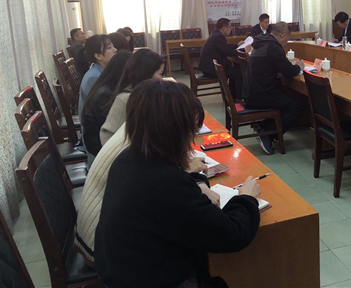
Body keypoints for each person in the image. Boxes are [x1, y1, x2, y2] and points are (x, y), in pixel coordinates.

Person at [94, 80, 261, 287]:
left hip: (122, 270)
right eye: (191, 129)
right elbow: (231, 235)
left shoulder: (129, 157)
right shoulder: (164, 183)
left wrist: (198, 183)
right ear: (175, 130)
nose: (192, 138)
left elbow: (179, 193)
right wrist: (246, 198)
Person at [75, 93, 212, 267]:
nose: (188, 139)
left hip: (100, 235)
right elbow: (218, 230)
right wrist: (195, 180)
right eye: (187, 129)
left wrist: (190, 177)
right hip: (102, 249)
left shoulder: (138, 135)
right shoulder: (141, 157)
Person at [243, 21, 304, 155]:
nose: (285, 43)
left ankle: (265, 126)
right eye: (286, 40)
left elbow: (270, 65)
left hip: (251, 92)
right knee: (296, 107)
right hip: (260, 95)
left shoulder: (262, 42)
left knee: (286, 98)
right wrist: (299, 66)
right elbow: (289, 71)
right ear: (282, 35)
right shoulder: (273, 47)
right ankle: (267, 133)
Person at [100, 49, 165, 146]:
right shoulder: (127, 99)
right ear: (146, 73)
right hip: (120, 151)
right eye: (160, 74)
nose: (161, 79)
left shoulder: (140, 94)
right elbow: (107, 137)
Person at [81, 51, 131, 167]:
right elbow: (112, 132)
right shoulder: (104, 94)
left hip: (104, 149)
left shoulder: (108, 86)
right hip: (101, 155)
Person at [199, 18, 243, 100]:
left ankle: (233, 96)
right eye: (230, 27)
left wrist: (237, 45)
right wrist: (242, 51)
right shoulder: (218, 36)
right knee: (238, 73)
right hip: (211, 69)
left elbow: (225, 48)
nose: (231, 29)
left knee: (235, 70)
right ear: (224, 28)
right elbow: (228, 52)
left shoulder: (216, 34)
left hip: (209, 67)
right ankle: (239, 98)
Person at [78, 35, 116, 120]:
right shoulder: (93, 77)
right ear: (98, 56)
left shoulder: (102, 70)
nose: (115, 50)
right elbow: (100, 110)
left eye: (113, 46)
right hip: (94, 125)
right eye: (109, 47)